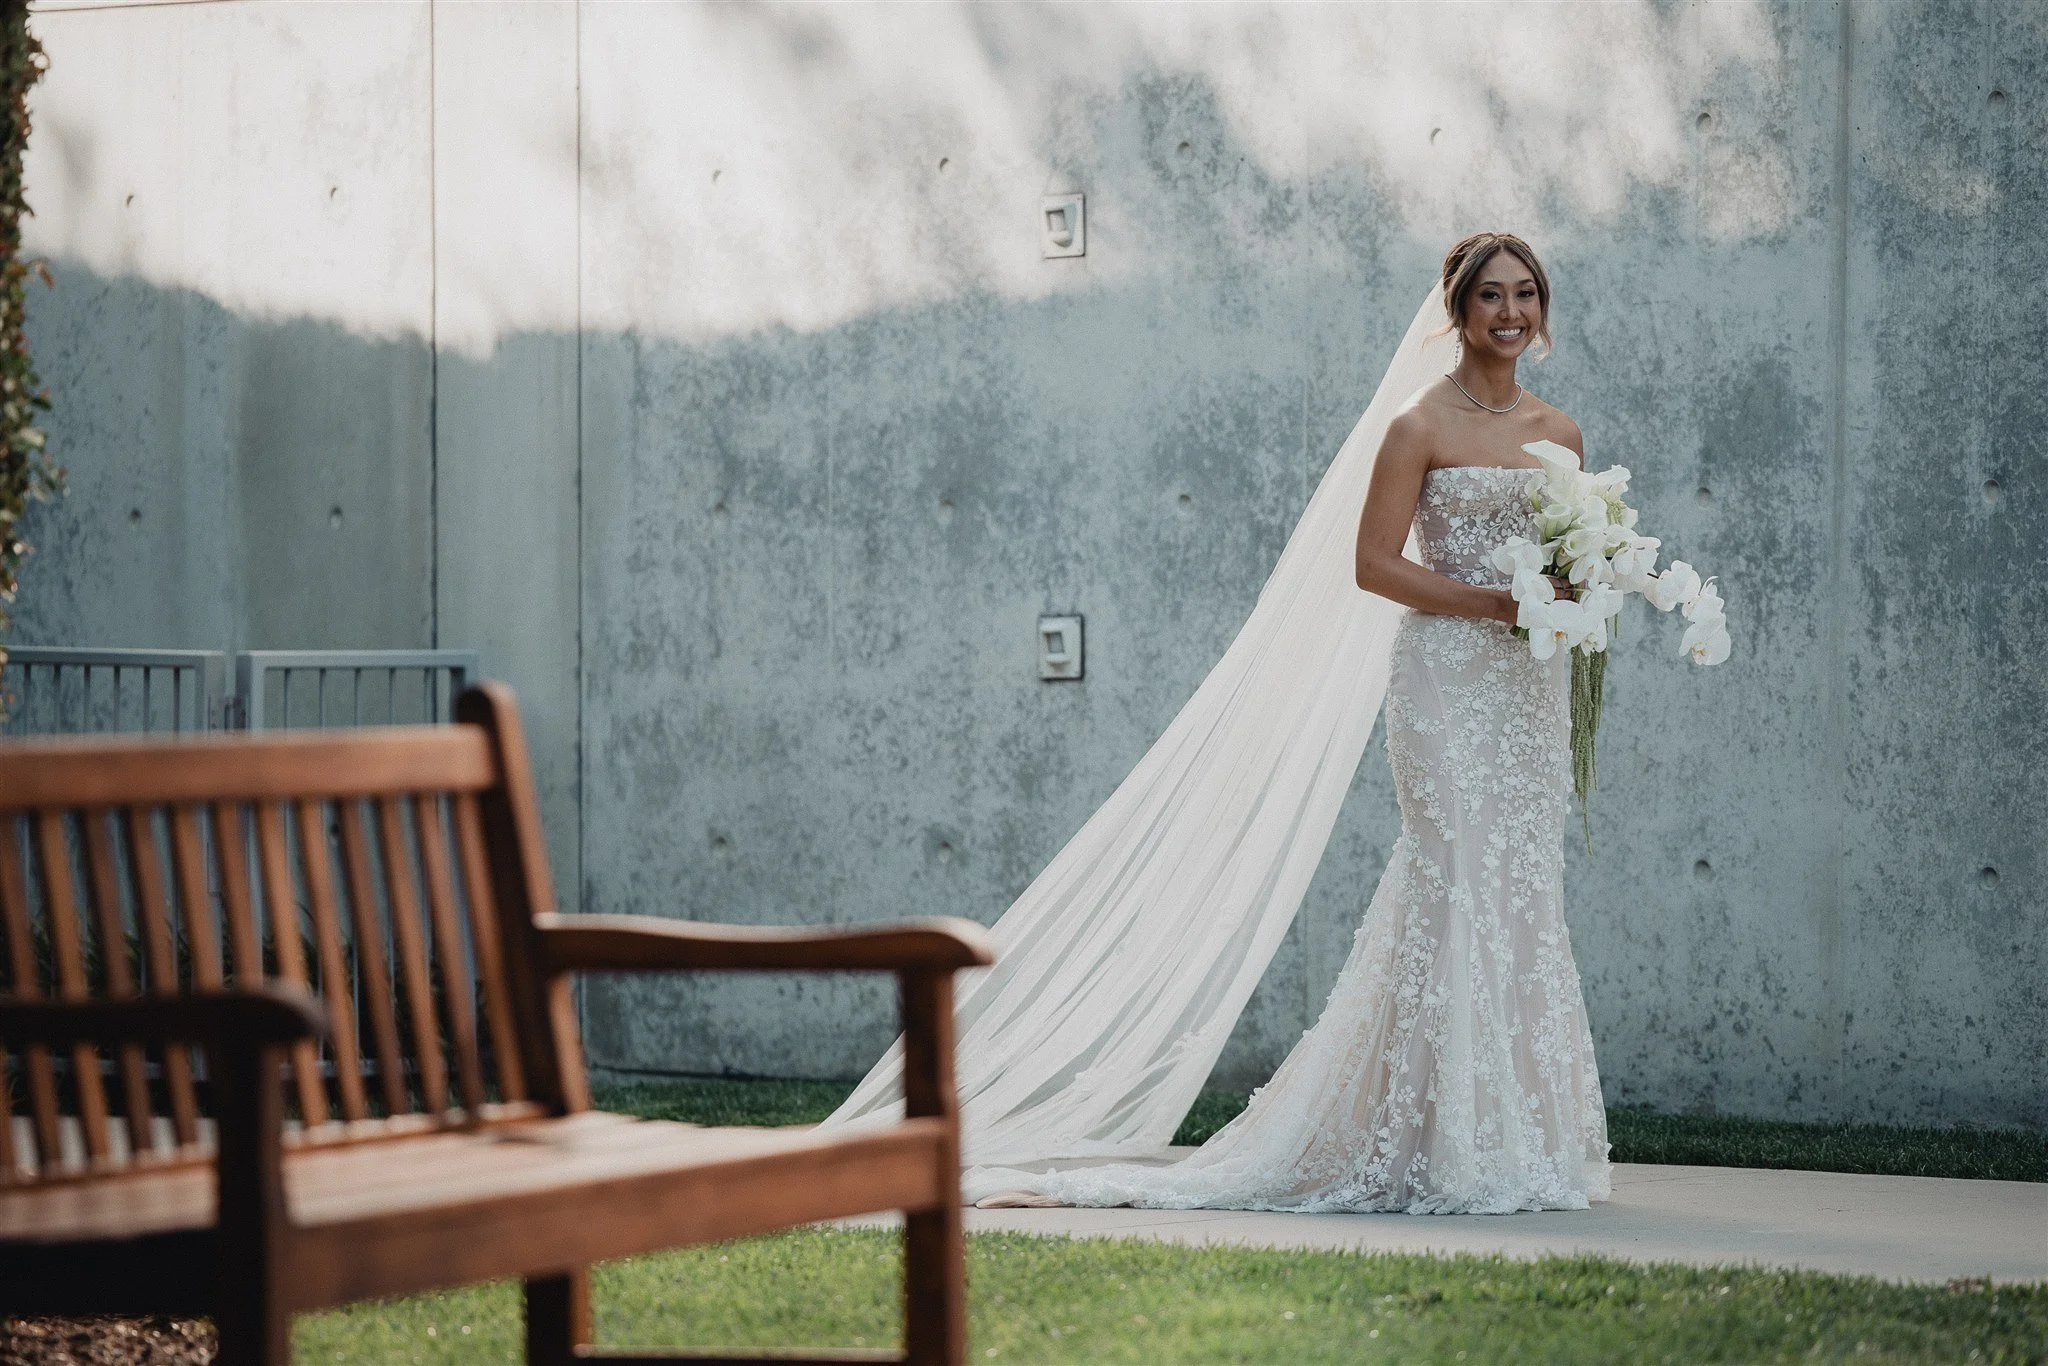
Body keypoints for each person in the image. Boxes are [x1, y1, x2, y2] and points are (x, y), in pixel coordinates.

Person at [965, 233, 1612, 1214]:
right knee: (1453, 880)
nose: (1510, 312)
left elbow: (1569, 566)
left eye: (1525, 294)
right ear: (1456, 308)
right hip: (1443, 677)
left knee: (1517, 889)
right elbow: (1372, 564)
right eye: (1490, 295)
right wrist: (1488, 605)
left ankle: (1509, 1136)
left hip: (1526, 690)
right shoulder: (1417, 423)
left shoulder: (1559, 432)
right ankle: (1432, 1145)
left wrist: (1582, 589)